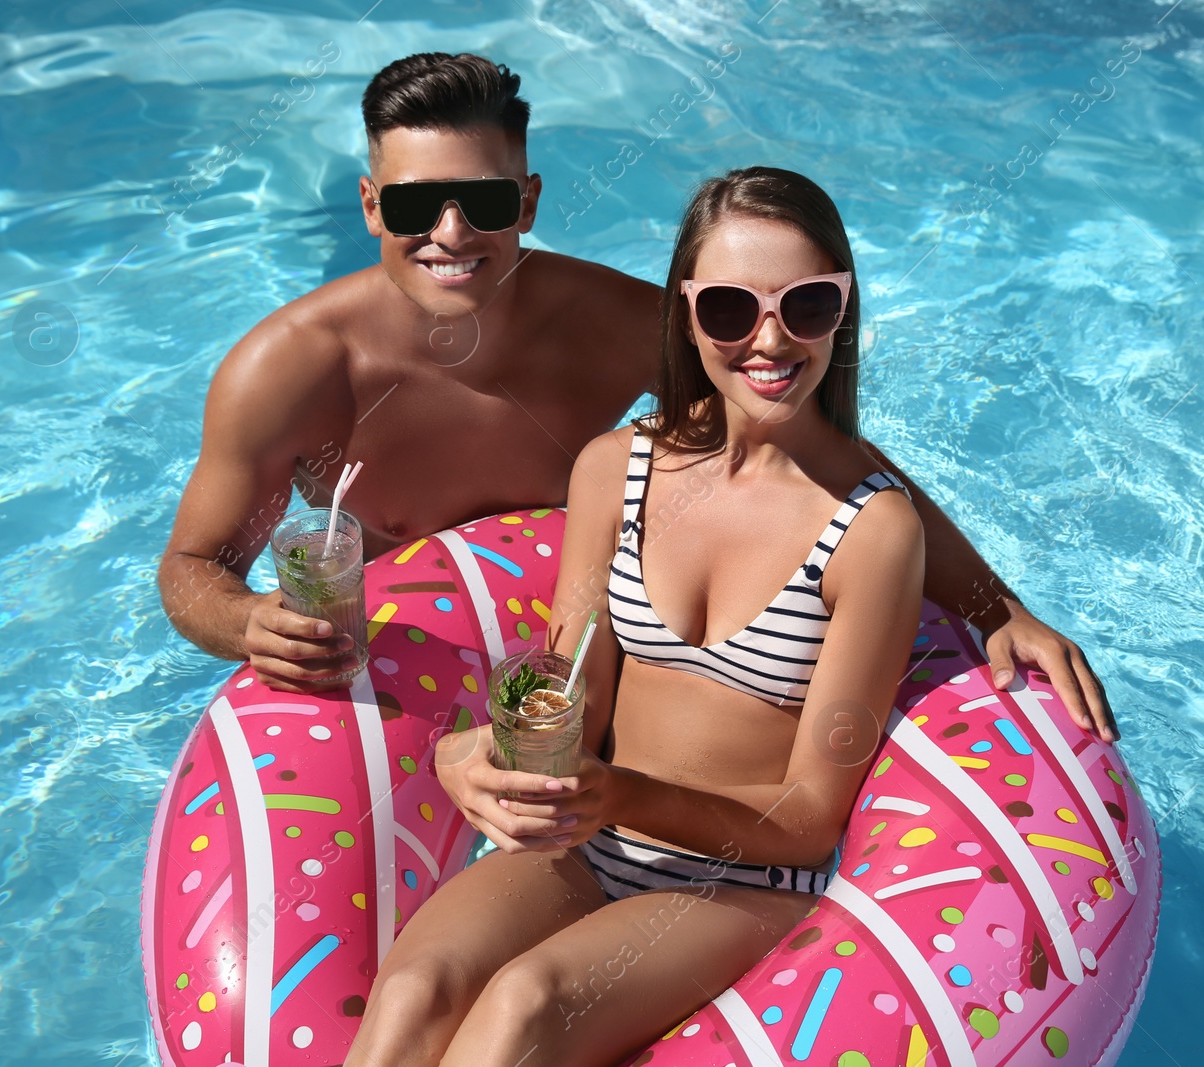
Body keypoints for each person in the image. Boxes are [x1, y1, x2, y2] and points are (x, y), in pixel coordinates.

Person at [154, 53, 1116, 732]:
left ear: (527, 203)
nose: (450, 232)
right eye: (413, 204)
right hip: (408, 672)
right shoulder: (287, 370)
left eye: (485, 203)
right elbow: (193, 563)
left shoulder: (618, 323)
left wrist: (999, 607)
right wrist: (247, 621)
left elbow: (811, 446)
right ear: (370, 207)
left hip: (604, 653)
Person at [344, 166, 926, 1066]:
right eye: (732, 308)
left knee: (523, 1006)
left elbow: (812, 816)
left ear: (842, 309)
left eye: (805, 304)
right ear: (687, 313)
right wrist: (474, 748)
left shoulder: (872, 532)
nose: (769, 340)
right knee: (419, 988)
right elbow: (567, 686)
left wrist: (617, 792)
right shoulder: (617, 469)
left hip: (743, 881)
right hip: (595, 837)